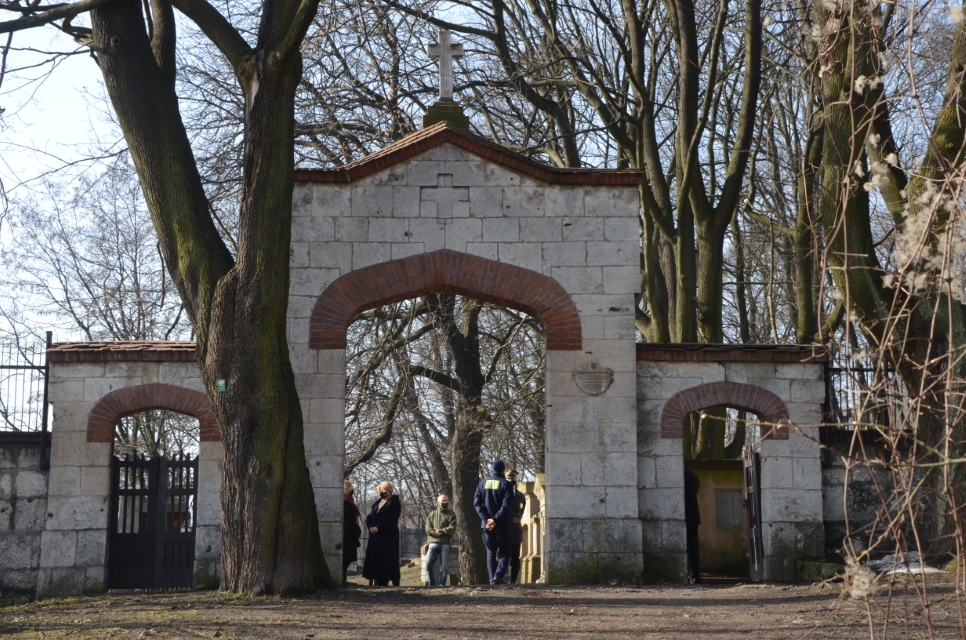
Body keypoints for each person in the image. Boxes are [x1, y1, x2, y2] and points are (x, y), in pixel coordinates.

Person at [473, 459, 515, 585]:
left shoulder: (482, 484)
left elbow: (476, 503)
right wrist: (495, 519)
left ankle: (492, 581)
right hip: (502, 524)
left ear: (492, 469)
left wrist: (487, 519)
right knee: (506, 551)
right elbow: (506, 505)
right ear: (503, 470)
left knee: (490, 552)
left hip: (486, 525)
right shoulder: (506, 484)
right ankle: (499, 574)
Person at [362, 481, 401, 586]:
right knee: (377, 561)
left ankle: (388, 580)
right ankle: (378, 580)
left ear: (389, 490)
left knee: (388, 559)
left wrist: (378, 527)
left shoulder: (394, 503)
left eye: (383, 491)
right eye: (380, 491)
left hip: (388, 536)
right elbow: (370, 516)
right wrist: (370, 526)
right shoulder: (377, 503)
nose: (381, 493)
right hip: (376, 537)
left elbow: (391, 519)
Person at [424, 493, 457, 586]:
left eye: (446, 500)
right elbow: (427, 528)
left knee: (444, 567)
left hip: (445, 544)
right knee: (428, 565)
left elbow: (452, 528)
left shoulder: (451, 515)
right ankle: (431, 584)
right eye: (443, 501)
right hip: (433, 543)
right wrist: (434, 532)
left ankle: (442, 585)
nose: (445, 502)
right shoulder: (432, 514)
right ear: (438, 503)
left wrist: (441, 531)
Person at [504, 469, 525, 583]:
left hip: (516, 527)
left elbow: (521, 511)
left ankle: (513, 579)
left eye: (513, 478)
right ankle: (501, 577)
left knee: (515, 555)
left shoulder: (520, 495)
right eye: (509, 478)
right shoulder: (501, 494)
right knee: (503, 554)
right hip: (505, 526)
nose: (511, 480)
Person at [342, 480, 362, 585]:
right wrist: (357, 530)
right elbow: (349, 520)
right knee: (345, 560)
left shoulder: (348, 501)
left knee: (346, 560)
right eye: (351, 487)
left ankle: (343, 580)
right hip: (348, 535)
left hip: (349, 534)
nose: (352, 489)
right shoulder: (346, 502)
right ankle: (342, 580)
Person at [684, 467, 701, 584]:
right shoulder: (693, 475)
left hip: (683, 514)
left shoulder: (678, 475)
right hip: (693, 515)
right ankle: (695, 575)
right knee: (692, 547)